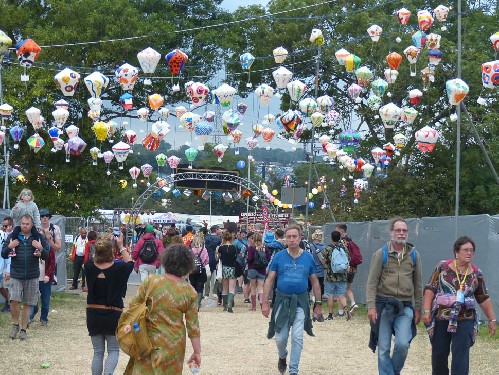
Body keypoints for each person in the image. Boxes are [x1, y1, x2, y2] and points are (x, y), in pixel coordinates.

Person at [422, 236, 496, 375]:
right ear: (456, 252)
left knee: (461, 357)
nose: (469, 253)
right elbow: (430, 288)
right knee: (439, 354)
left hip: (465, 319)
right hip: (441, 318)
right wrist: (426, 310)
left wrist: (492, 319)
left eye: (472, 250)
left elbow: (483, 297)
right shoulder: (442, 266)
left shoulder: (476, 273)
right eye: (466, 250)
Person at [124, 243, 201, 374]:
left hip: (147, 340)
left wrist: (129, 325)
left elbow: (134, 306)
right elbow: (193, 327)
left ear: (166, 260)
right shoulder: (190, 292)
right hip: (174, 344)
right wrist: (197, 352)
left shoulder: (151, 281)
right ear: (188, 265)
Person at [261, 224, 322, 375]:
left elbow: (315, 282)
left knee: (297, 337)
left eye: (294, 236)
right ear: (285, 239)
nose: (291, 239)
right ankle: (282, 356)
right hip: (282, 301)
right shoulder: (279, 256)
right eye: (288, 237)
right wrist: (265, 302)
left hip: (301, 301)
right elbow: (269, 280)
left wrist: (318, 304)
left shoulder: (308, 257)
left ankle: (293, 370)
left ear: (301, 237)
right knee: (280, 338)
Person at [366, 218, 423, 375]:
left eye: (404, 230)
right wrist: (371, 306)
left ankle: (393, 372)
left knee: (403, 344)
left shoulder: (414, 255)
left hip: (405, 306)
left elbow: (418, 284)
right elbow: (372, 283)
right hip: (383, 305)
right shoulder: (381, 254)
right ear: (391, 232)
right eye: (398, 230)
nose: (401, 233)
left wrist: (418, 308)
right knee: (383, 347)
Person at [85, 232, 133, 375]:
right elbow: (130, 262)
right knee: (113, 350)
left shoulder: (89, 266)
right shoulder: (119, 269)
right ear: (112, 251)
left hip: (93, 314)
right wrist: (121, 245)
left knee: (98, 352)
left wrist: (103, 243)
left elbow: (94, 259)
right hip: (113, 314)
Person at [1, 214, 49, 340]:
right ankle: (15, 325)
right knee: (14, 300)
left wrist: (40, 248)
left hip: (32, 275)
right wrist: (10, 247)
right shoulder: (13, 236)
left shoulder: (38, 237)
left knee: (28, 303)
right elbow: (4, 254)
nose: (25, 226)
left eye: (27, 224)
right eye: (23, 223)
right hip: (16, 274)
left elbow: (46, 256)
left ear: (32, 225)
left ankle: (23, 329)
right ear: (20, 224)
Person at [322, 230, 351, 320]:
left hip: (331, 276)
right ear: (339, 238)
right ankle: (345, 308)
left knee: (330, 295)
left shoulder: (328, 248)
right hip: (342, 275)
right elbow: (348, 259)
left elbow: (324, 261)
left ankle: (330, 315)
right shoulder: (344, 248)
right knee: (341, 294)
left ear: (331, 238)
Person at [29, 235, 56, 326]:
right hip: (34, 277)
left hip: (45, 279)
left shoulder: (49, 249)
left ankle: (44, 319)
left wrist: (48, 275)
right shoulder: (30, 248)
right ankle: (30, 316)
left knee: (45, 300)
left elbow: (52, 263)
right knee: (32, 300)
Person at [336, 223, 361, 315]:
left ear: (341, 231)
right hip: (353, 268)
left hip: (344, 268)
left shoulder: (340, 242)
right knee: (348, 288)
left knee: (340, 290)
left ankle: (341, 311)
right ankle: (353, 303)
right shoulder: (350, 240)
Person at [9, 189, 42, 257]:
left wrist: (38, 225)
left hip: (31, 225)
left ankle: (37, 249)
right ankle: (12, 249)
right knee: (14, 234)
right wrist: (15, 210)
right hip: (19, 224)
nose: (26, 196)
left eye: (28, 195)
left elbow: (36, 215)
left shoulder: (33, 205)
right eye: (25, 195)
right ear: (21, 196)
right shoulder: (18, 204)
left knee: (36, 234)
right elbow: (13, 216)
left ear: (31, 196)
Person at [247, 232, 271, 311]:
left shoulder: (251, 248)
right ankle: (261, 303)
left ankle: (253, 306)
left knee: (253, 287)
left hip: (252, 269)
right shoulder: (265, 248)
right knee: (261, 287)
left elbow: (249, 258)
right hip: (262, 269)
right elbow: (268, 258)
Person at [216, 231, 238, 312]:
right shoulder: (234, 247)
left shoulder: (220, 248)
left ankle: (225, 306)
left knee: (224, 288)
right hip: (232, 268)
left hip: (224, 268)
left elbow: (218, 257)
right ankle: (229, 304)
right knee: (232, 289)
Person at [39, 209, 62, 286]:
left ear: (49, 217)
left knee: (47, 285)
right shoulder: (35, 229)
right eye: (42, 216)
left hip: (50, 259)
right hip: (37, 259)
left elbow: (58, 248)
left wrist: (49, 239)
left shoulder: (55, 228)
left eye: (47, 216)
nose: (44, 218)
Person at [189, 235, 209, 311]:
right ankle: (198, 304)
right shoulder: (204, 250)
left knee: (193, 287)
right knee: (200, 288)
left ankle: (193, 304)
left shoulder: (190, 250)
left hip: (192, 271)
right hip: (201, 270)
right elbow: (207, 260)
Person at [308, 229, 325, 305]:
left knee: (308, 288)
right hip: (320, 271)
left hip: (310, 271)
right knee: (319, 289)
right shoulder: (324, 247)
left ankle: (308, 302)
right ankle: (318, 305)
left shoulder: (310, 246)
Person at [0, 216, 13, 312]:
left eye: (6, 225)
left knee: (7, 286)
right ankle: (8, 302)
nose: (4, 227)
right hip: (3, 265)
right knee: (2, 287)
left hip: (9, 264)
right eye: (3, 225)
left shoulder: (12, 236)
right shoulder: (2, 235)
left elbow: (8, 254)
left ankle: (10, 304)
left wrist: (8, 269)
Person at [204, 225, 222, 297]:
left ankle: (206, 293)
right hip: (216, 257)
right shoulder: (219, 238)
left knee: (208, 275)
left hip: (208, 257)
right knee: (217, 275)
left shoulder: (206, 238)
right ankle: (215, 292)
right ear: (216, 230)